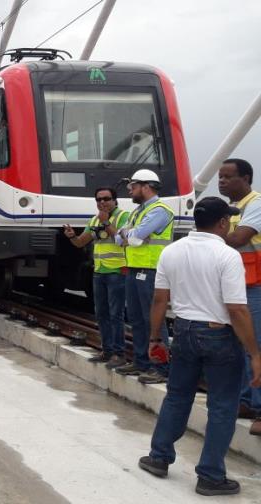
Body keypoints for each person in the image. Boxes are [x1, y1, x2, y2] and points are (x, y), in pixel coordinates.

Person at [137, 197, 261, 496]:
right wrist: (255, 353)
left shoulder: (172, 251)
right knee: (222, 405)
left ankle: (159, 457)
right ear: (222, 223)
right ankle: (210, 476)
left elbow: (159, 300)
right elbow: (237, 310)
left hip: (183, 330)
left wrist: (155, 338)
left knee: (178, 397)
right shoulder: (227, 255)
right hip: (219, 334)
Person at [114, 169, 174, 384]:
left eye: (133, 186)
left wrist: (127, 234)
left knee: (154, 321)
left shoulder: (160, 210)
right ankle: (141, 362)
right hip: (134, 269)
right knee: (137, 319)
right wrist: (127, 234)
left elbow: (136, 237)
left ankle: (160, 367)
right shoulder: (137, 212)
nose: (130, 190)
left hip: (151, 271)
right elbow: (119, 238)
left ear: (146, 186)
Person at [217, 158, 261, 435]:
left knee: (256, 347)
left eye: (227, 177)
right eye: (219, 177)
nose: (220, 181)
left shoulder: (255, 204)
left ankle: (259, 409)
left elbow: (237, 239)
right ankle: (245, 401)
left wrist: (213, 229)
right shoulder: (231, 211)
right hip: (236, 287)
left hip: (256, 286)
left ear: (245, 179)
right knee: (239, 349)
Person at [63, 187, 130, 368]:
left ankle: (119, 353)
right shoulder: (94, 220)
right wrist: (72, 237)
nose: (102, 202)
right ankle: (107, 351)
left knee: (116, 314)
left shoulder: (124, 216)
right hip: (99, 272)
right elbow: (80, 242)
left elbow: (124, 240)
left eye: (106, 199)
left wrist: (107, 222)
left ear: (115, 200)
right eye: (99, 200)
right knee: (101, 313)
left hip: (117, 272)